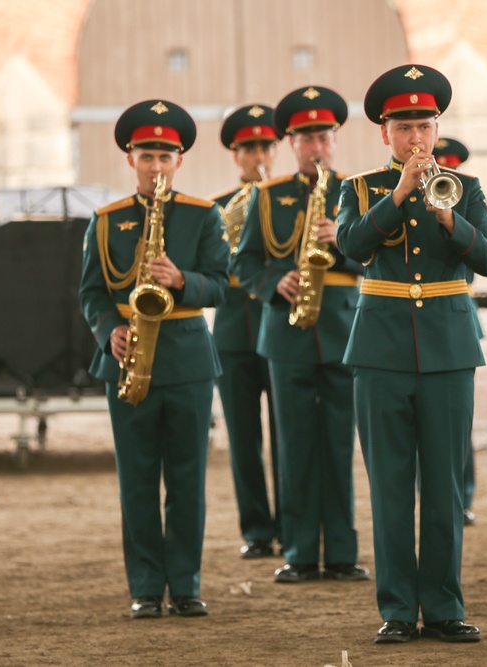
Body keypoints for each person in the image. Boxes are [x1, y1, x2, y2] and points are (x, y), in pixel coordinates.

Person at [335, 64, 487, 644]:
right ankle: (398, 611)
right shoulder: (357, 188)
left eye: (424, 126)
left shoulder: (467, 186)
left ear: (437, 129)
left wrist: (447, 217)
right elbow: (352, 247)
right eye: (403, 127)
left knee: (445, 485)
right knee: (390, 484)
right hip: (381, 351)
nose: (415, 139)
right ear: (385, 133)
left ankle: (445, 607)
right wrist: (399, 194)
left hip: (449, 350)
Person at [79, 99, 228, 618]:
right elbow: (92, 293)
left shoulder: (203, 215)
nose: (156, 165)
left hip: (187, 360)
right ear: (130, 159)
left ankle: (185, 586)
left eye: (166, 156)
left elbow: (223, 287)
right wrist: (109, 332)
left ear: (180, 161)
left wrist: (183, 280)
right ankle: (145, 587)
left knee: (188, 480)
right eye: (147, 155)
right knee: (137, 480)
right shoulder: (104, 221)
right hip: (126, 361)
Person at [233, 86, 368, 585]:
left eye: (324, 136)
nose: (316, 146)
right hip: (286, 335)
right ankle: (299, 552)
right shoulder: (268, 197)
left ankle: (342, 554)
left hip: (342, 328)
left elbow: (377, 260)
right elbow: (243, 262)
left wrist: (346, 245)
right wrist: (273, 282)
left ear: (335, 139)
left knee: (338, 444)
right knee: (292, 446)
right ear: (290, 142)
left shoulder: (359, 192)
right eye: (306, 137)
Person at [210, 104, 281, 559]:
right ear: (235, 155)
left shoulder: (288, 200)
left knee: (288, 434)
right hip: (234, 328)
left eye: (264, 147)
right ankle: (256, 530)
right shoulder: (217, 208)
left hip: (280, 325)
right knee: (243, 438)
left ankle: (293, 527)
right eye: (248, 148)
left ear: (276, 151)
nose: (257, 155)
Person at [432, 136, 478, 527]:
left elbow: (486, 258)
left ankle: (463, 495)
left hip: (455, 314)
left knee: (457, 428)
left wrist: (450, 218)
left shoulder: (468, 192)